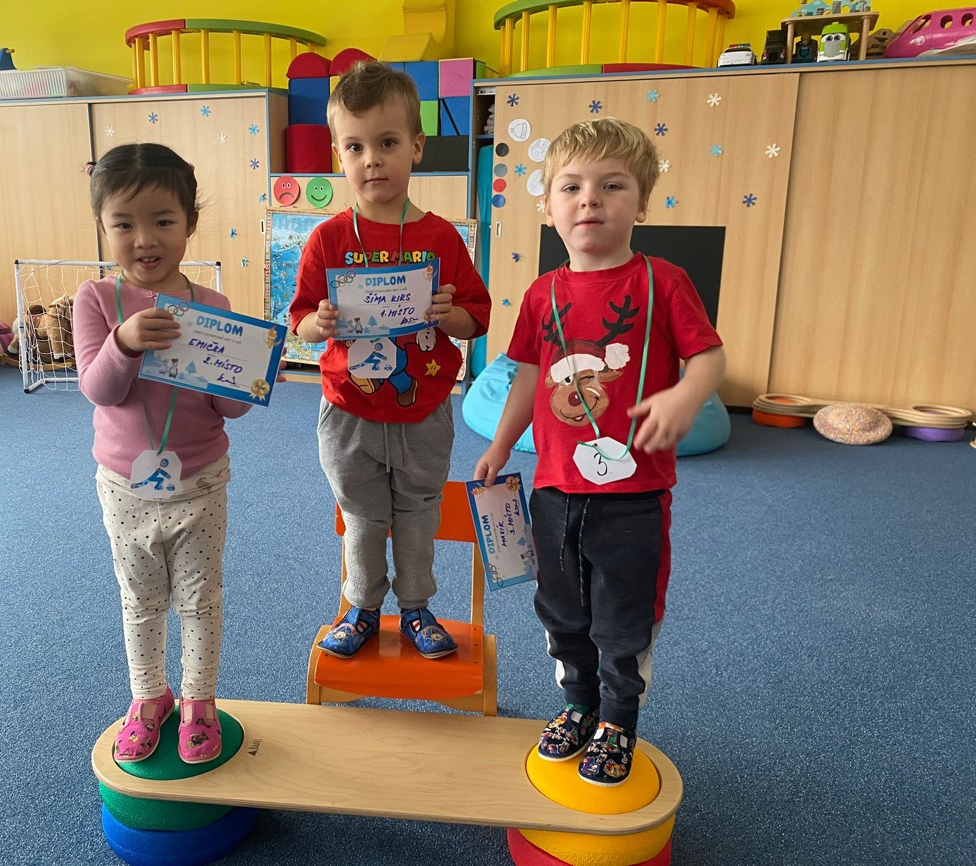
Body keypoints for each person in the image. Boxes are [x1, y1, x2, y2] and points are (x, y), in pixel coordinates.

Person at [473, 118, 725, 785]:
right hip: (554, 489)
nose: (590, 199)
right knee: (560, 610)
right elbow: (527, 375)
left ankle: (617, 718)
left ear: (641, 204)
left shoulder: (663, 281)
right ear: (548, 207)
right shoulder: (541, 293)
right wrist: (500, 444)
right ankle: (578, 703)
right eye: (571, 187)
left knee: (623, 617)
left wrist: (686, 395)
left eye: (612, 186)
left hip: (633, 496)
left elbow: (709, 356)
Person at [289, 61, 491, 660]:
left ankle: (417, 608)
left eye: (388, 143)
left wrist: (449, 315)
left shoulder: (442, 237)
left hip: (423, 407)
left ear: (416, 148)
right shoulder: (327, 239)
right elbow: (298, 324)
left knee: (420, 512)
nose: (372, 160)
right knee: (362, 515)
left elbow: (475, 319)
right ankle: (362, 607)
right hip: (348, 409)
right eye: (355, 147)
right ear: (338, 156)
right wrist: (318, 323)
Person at [73, 143, 252, 764]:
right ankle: (149, 697)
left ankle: (199, 701)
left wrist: (244, 375)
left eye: (163, 221)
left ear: (190, 224)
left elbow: (231, 409)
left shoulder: (213, 307)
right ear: (103, 226)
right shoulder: (97, 300)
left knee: (201, 599)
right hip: (125, 487)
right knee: (140, 600)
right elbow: (99, 390)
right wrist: (123, 343)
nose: (144, 239)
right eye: (124, 224)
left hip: (200, 482)